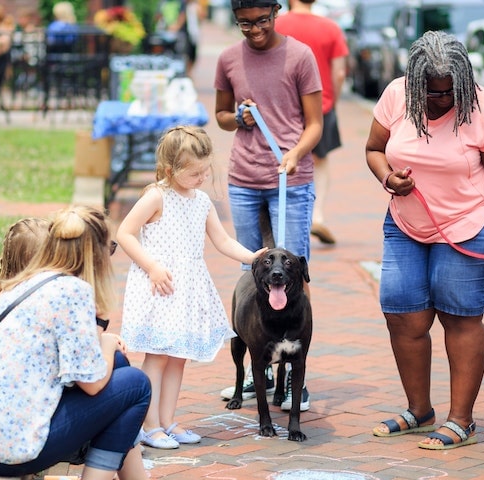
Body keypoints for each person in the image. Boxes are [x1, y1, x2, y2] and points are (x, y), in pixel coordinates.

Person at [365, 31, 484, 450]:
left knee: (459, 317)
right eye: (433, 92)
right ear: (415, 82)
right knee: (403, 315)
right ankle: (420, 410)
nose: (443, 99)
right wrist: (387, 177)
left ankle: (461, 420)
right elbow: (373, 149)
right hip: (406, 224)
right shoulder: (397, 95)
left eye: (451, 89)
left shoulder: (483, 108)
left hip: (470, 225)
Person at [0, 206, 151, 479]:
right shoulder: (73, 291)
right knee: (136, 384)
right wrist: (107, 343)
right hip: (7, 450)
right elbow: (93, 384)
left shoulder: (25, 281)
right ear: (95, 255)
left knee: (118, 367)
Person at [116, 126, 266, 450]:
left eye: (205, 170)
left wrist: (251, 257)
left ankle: (168, 420)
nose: (202, 177)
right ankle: (149, 424)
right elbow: (125, 233)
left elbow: (222, 240)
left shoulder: (201, 202)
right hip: (161, 286)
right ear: (170, 170)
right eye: (194, 172)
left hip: (187, 289)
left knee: (178, 357)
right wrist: (152, 267)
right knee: (156, 356)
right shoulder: (156, 196)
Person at [213, 0, 323, 412]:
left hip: (289, 181)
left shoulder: (299, 56)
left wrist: (295, 153)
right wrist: (236, 118)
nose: (255, 30)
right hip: (244, 179)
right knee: (253, 269)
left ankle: (294, 372)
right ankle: (259, 363)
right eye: (245, 24)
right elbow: (221, 114)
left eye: (261, 20)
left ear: (276, 12)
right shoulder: (228, 58)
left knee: (294, 270)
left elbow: (315, 124)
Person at [275, 0, 349, 246]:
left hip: (283, 105)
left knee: (283, 158)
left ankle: (281, 219)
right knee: (320, 160)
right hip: (321, 105)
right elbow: (339, 72)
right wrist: (332, 100)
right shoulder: (331, 27)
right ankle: (317, 215)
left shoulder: (277, 23)